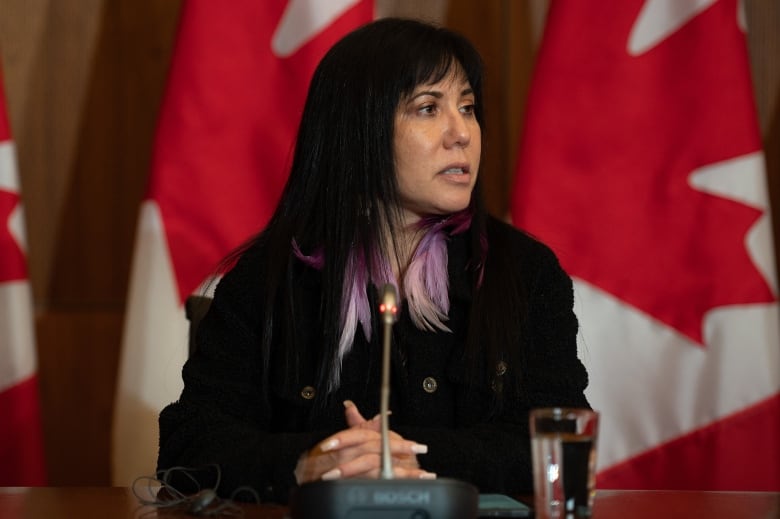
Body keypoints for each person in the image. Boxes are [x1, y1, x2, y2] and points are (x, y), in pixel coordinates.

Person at [156, 17, 590, 504]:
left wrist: (409, 456)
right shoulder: (271, 277)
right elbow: (187, 445)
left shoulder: (522, 272)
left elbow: (561, 439)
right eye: (429, 108)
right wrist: (314, 460)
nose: (462, 133)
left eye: (468, 108)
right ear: (358, 130)